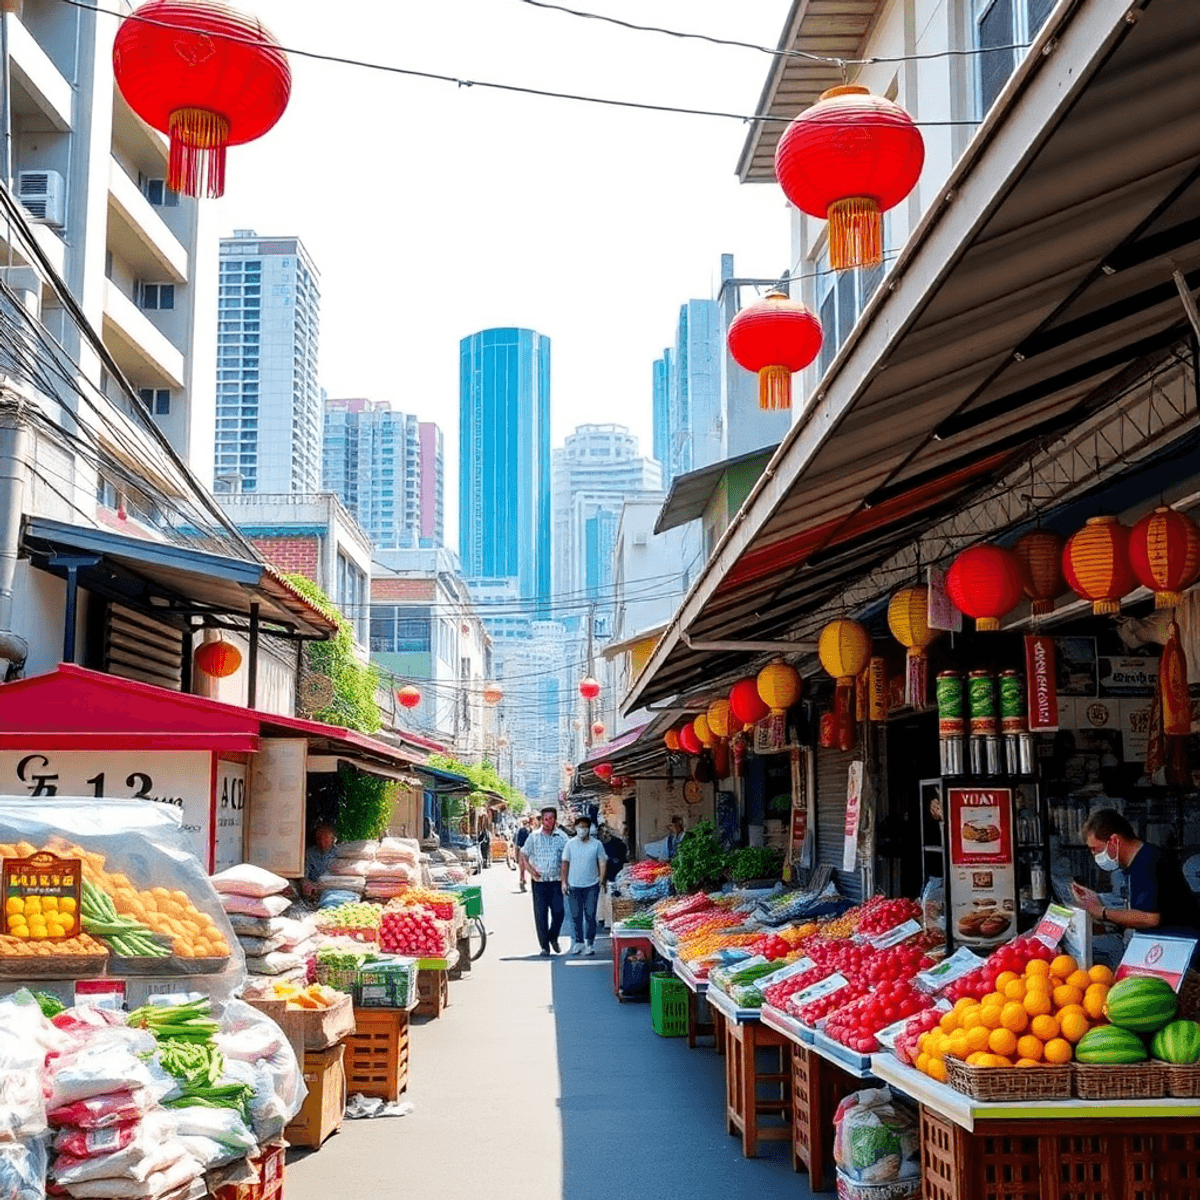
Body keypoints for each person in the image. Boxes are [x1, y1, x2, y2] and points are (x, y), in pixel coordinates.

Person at [1072, 808, 1200, 960]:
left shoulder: (1148, 862)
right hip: (1146, 942)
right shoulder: (1131, 865)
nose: (1094, 855)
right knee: (1082, 948)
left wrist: (1102, 912)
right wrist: (1095, 900)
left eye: (1095, 849)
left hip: (1173, 949)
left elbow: (1149, 918)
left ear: (1114, 841)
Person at [520, 806, 570, 956]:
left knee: (559, 912)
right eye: (545, 819)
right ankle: (544, 946)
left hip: (555, 881)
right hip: (539, 882)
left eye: (551, 818)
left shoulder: (562, 837)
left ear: (555, 820)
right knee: (540, 914)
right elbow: (523, 854)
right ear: (541, 820)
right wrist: (528, 870)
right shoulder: (533, 837)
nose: (548, 822)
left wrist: (565, 881)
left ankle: (553, 937)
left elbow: (567, 859)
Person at [561, 815, 608, 956]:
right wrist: (564, 881)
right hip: (574, 885)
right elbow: (565, 862)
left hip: (592, 885)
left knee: (590, 915)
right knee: (575, 916)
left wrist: (602, 878)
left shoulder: (597, 844)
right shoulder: (570, 844)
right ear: (575, 828)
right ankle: (578, 942)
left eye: (585, 827)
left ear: (589, 829)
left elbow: (602, 862)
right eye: (580, 827)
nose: (582, 830)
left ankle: (590, 943)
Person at [302, 823, 338, 900]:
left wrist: (324, 886)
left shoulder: (339, 853)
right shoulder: (310, 852)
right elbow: (305, 873)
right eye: (319, 838)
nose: (322, 841)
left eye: (325, 838)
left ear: (332, 839)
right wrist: (306, 883)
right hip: (313, 888)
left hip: (332, 887)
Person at [515, 816, 533, 892]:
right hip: (524, 851)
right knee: (525, 868)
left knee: (523, 869)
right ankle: (523, 882)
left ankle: (523, 882)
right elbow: (517, 844)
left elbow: (516, 844)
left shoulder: (521, 831)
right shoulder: (525, 831)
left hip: (523, 851)